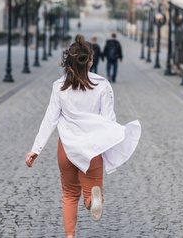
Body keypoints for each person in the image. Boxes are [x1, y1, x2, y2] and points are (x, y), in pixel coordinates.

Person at [25, 34, 141, 238]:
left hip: (66, 149)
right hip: (92, 149)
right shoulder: (102, 84)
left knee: (69, 195)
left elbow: (49, 119)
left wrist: (36, 149)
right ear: (90, 60)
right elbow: (108, 120)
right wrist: (112, 145)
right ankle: (92, 201)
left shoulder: (59, 86)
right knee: (90, 194)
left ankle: (70, 236)